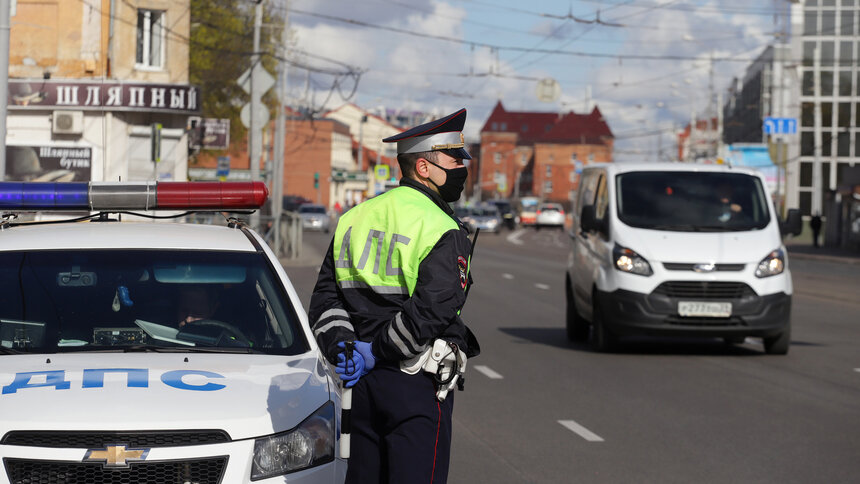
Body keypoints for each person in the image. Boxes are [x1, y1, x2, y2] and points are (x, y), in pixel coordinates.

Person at [308, 109, 480, 484]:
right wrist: (379, 352)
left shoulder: (354, 217)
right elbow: (433, 310)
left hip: (359, 385)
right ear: (423, 167)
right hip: (414, 383)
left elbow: (325, 300)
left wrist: (347, 347)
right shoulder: (442, 227)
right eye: (454, 160)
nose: (462, 169)